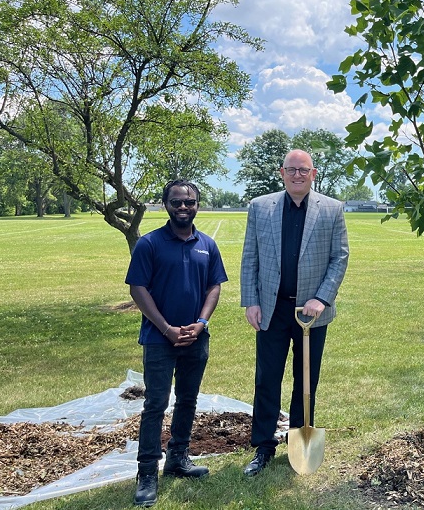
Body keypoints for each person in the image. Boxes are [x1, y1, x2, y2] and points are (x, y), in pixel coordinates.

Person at [240, 149, 349, 476]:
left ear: (313, 173)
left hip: (311, 313)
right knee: (267, 378)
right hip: (272, 309)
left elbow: (339, 258)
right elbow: (250, 258)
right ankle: (263, 447)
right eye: (291, 169)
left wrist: (322, 298)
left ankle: (299, 444)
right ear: (282, 172)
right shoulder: (261, 207)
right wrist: (252, 301)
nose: (297, 175)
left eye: (304, 170)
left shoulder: (331, 209)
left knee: (306, 380)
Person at [125, 180, 228, 507]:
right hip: (159, 339)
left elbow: (214, 287)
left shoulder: (207, 245)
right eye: (176, 202)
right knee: (155, 404)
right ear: (166, 204)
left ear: (198, 204)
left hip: (196, 338)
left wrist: (201, 323)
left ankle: (178, 459)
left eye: (190, 202)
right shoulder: (150, 244)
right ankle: (147, 473)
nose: (183, 207)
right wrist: (167, 328)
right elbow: (138, 289)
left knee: (187, 399)